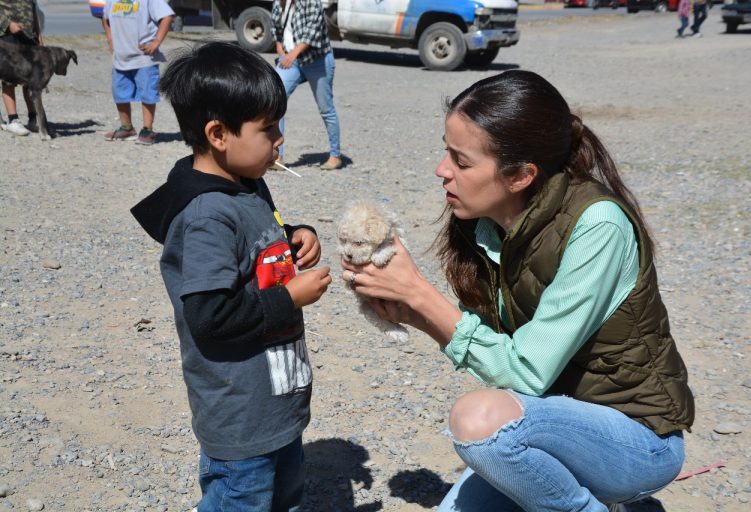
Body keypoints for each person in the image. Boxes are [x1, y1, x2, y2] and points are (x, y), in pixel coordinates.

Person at [341, 70, 695, 511]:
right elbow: (505, 357)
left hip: (637, 440)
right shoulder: (486, 225)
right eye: (445, 151)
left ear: (521, 176)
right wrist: (410, 312)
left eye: (461, 160)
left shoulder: (598, 226)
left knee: (479, 422)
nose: (442, 170)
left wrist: (420, 294)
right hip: (553, 422)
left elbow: (526, 372)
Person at [130, 41, 332, 510]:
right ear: (218, 134)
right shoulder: (205, 216)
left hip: (274, 404)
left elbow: (260, 240)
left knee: (285, 496)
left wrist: (297, 233)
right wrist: (291, 298)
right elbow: (210, 316)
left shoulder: (246, 184)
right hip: (239, 415)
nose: (280, 139)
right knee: (243, 498)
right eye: (268, 129)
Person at [271, 0, 343, 170]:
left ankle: (335, 155)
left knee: (326, 109)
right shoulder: (277, 3)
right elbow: (276, 29)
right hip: (291, 60)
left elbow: (313, 32)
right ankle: (277, 156)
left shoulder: (310, 2)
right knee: (276, 100)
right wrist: (281, 52)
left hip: (316, 60)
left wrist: (292, 54)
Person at [101, 0, 174, 144]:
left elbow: (167, 17)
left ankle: (147, 129)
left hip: (144, 57)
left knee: (147, 93)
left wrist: (156, 42)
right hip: (121, 57)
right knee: (119, 93)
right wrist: (110, 39)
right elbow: (105, 17)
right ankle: (126, 127)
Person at [0, 0, 42, 136]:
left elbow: (34, 10)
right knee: (9, 80)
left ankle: (33, 119)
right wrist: (8, 24)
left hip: (29, 37)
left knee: (31, 80)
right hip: (7, 36)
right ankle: (13, 120)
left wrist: (39, 37)